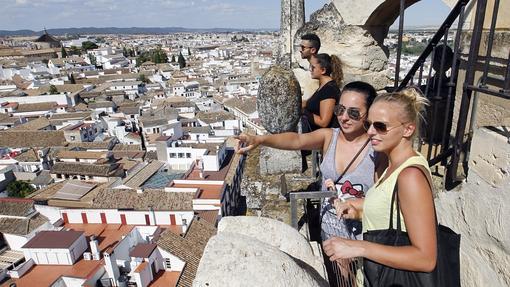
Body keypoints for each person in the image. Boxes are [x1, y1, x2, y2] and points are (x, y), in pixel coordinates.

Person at [235, 81, 385, 240]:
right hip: (328, 231)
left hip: (360, 238)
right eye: (340, 110)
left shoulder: (376, 151)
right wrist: (259, 139)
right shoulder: (329, 137)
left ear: (369, 114)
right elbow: (296, 140)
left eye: (354, 113)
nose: (344, 117)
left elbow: (382, 201)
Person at [323, 87, 437, 277]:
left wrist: (358, 247)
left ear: (408, 129)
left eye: (381, 126)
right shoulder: (392, 165)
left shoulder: (410, 176)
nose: (371, 132)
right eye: (369, 125)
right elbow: (393, 209)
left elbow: (426, 258)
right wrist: (359, 208)